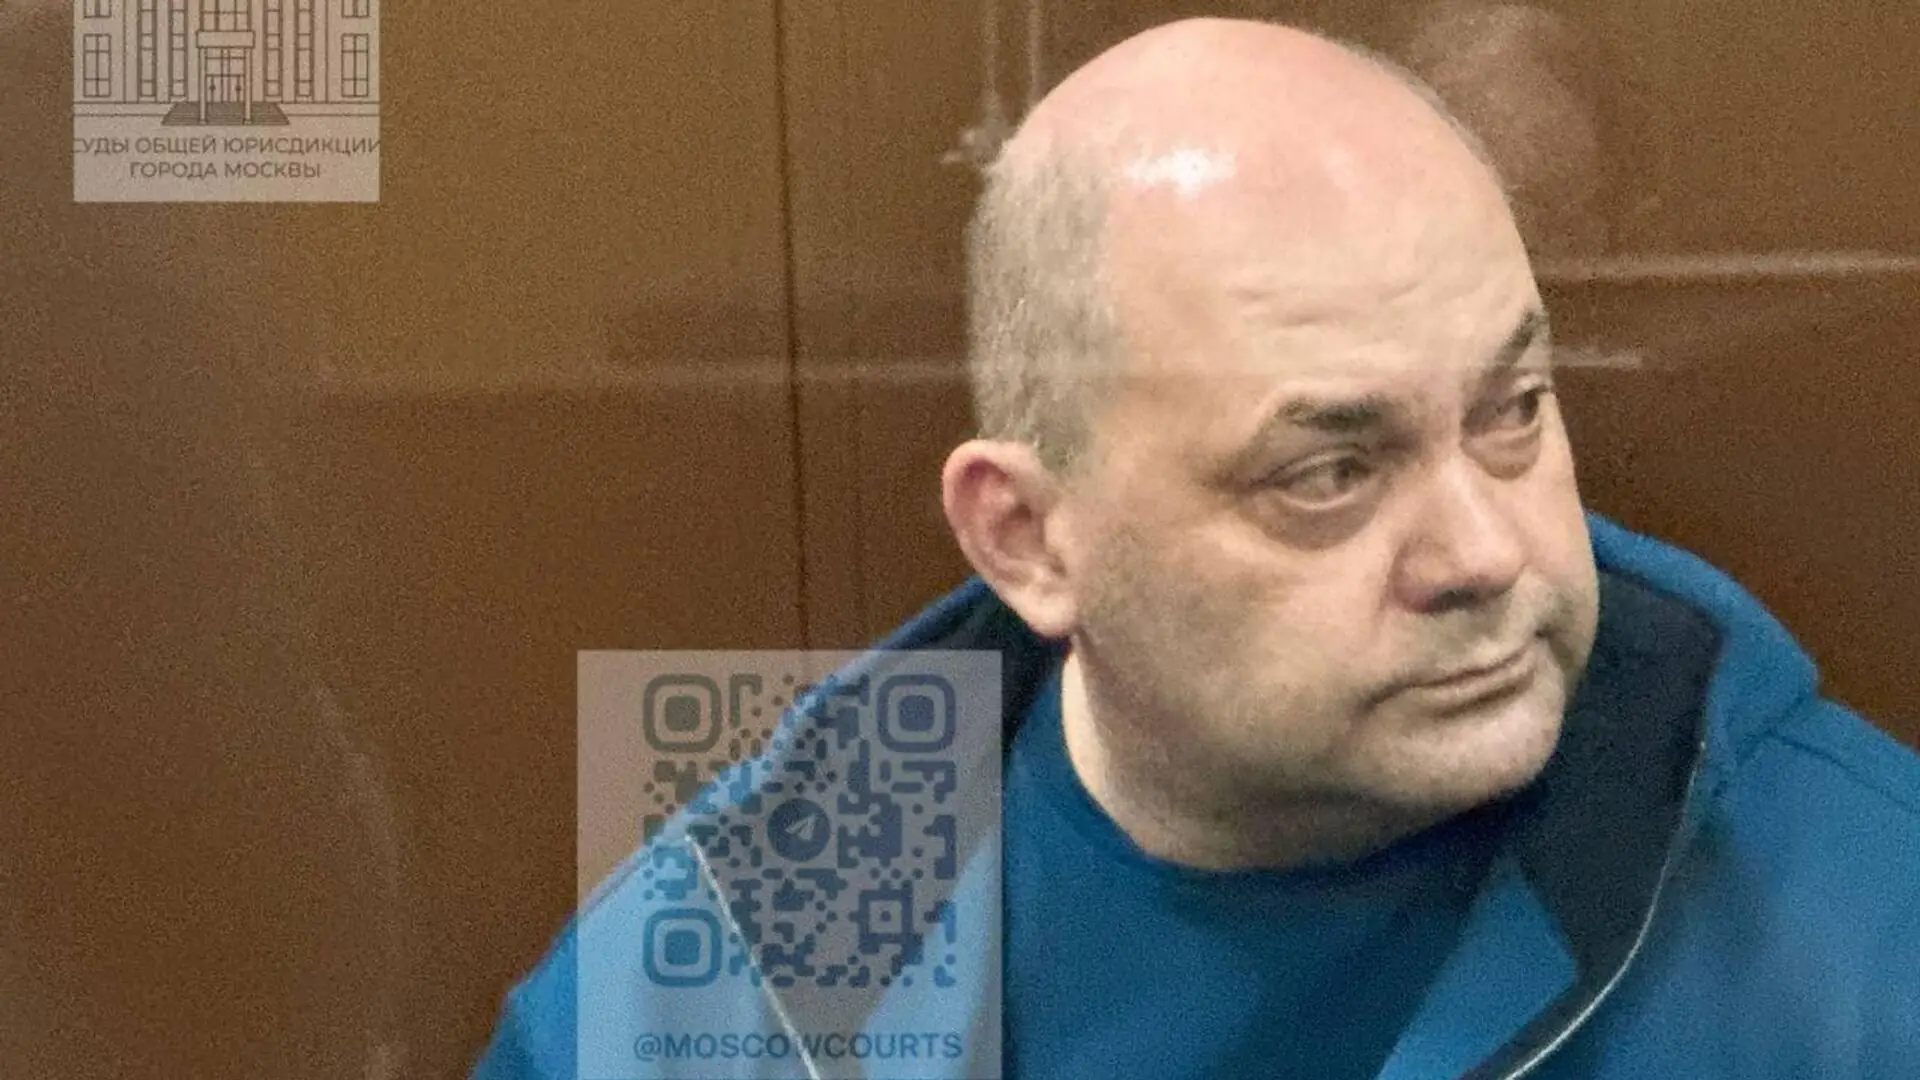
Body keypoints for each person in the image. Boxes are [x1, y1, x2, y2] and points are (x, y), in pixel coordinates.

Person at [471, 17, 1920, 1079]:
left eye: (1513, 411)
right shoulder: (727, 975)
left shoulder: (1865, 930)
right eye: (1328, 473)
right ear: (1029, 540)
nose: (1487, 551)